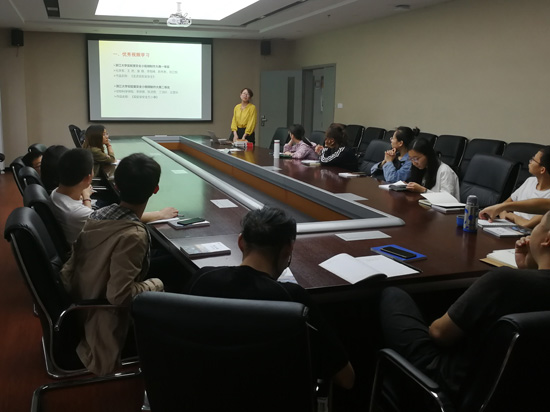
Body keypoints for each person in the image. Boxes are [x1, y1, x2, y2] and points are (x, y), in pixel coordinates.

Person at [379, 210, 550, 403]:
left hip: (449, 384)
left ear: (547, 239)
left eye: (538, 226)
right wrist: (527, 270)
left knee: (392, 294)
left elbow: (439, 334)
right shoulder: (514, 283)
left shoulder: (504, 281)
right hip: (524, 395)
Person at [186, 207, 355, 390]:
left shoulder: (202, 279)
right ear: (288, 250)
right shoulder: (293, 300)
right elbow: (346, 379)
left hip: (200, 394)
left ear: (241, 242)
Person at [60, 153, 166, 376]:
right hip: (102, 321)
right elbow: (119, 296)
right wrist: (155, 284)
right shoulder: (133, 236)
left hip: (81, 298)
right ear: (155, 189)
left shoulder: (96, 215)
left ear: (116, 185)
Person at [51, 148, 179, 244]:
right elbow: (124, 220)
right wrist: (160, 214)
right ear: (88, 178)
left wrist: (83, 195)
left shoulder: (55, 193)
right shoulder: (81, 215)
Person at [479, 146, 550, 228]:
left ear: (542, 170)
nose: (530, 161)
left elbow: (527, 225)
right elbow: (504, 206)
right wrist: (505, 214)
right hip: (509, 227)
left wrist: (513, 217)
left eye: (533, 160)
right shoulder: (530, 181)